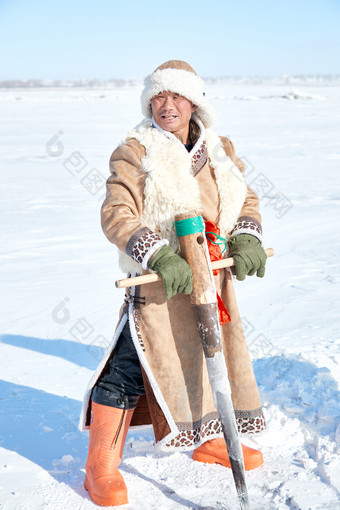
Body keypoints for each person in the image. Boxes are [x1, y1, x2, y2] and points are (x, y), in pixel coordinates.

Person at [80, 60, 267, 507]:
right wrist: (158, 252)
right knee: (130, 366)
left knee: (207, 359)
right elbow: (116, 212)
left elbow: (247, 198)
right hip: (157, 282)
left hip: (210, 277)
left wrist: (246, 235)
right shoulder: (135, 149)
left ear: (194, 102)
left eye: (177, 96)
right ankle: (98, 468)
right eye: (158, 97)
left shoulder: (219, 149)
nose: (167, 106)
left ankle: (208, 438)